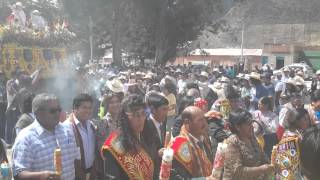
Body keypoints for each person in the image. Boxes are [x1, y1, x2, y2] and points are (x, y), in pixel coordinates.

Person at [12, 93, 79, 179]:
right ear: (39, 113)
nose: (58, 113)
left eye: (59, 110)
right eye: (53, 111)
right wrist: (40, 176)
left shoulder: (67, 130)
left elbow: (75, 160)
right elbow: (18, 173)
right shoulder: (26, 138)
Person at [101, 95, 154, 180]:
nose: (140, 119)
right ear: (125, 118)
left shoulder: (145, 136)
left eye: (143, 114)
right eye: (136, 115)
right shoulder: (114, 147)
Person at [219, 110, 274, 180]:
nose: (252, 126)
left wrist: (272, 165)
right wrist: (260, 169)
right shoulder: (232, 143)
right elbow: (237, 171)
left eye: (252, 123)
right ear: (237, 127)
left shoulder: (251, 138)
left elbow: (263, 157)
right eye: (248, 124)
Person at [169, 106, 213, 179]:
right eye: (200, 120)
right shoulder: (177, 145)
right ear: (187, 122)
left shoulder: (204, 137)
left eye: (204, 119)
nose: (205, 123)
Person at [65, 93, 96, 180]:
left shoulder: (91, 125)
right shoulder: (67, 128)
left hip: (91, 172)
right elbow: (68, 154)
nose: (88, 111)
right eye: (84, 107)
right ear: (75, 109)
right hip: (75, 175)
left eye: (90, 108)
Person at [274, 108, 311, 180]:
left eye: (308, 119)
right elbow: (288, 163)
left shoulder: (295, 133)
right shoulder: (292, 138)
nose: (308, 121)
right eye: (305, 119)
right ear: (296, 121)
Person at [142, 91, 169, 179]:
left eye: (167, 109)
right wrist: (157, 153)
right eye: (164, 109)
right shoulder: (144, 125)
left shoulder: (163, 121)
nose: (166, 113)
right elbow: (141, 150)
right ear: (153, 109)